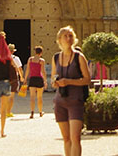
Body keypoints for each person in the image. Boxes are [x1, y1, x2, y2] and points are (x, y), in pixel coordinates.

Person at [51, 26, 91, 156]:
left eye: (70, 36)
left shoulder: (79, 57)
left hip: (75, 101)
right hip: (60, 102)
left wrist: (68, 81)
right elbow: (53, 77)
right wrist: (55, 82)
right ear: (59, 40)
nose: (68, 39)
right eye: (65, 36)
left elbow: (87, 79)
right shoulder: (56, 58)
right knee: (66, 139)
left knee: (75, 138)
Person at [0, 32, 18, 138]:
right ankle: (2, 131)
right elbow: (14, 67)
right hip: (6, 84)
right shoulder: (8, 56)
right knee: (4, 109)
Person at [26, 45, 47, 118]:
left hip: (32, 78)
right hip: (39, 78)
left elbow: (28, 69)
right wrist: (45, 81)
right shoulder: (41, 61)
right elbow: (43, 71)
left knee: (32, 97)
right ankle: (40, 112)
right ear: (41, 53)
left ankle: (32, 112)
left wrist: (25, 79)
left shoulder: (30, 59)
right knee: (39, 97)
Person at [7, 45, 23, 117]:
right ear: (13, 51)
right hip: (14, 78)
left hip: (5, 78)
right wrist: (21, 77)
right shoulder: (16, 59)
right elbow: (20, 69)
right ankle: (8, 112)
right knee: (11, 96)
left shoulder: (3, 58)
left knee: (5, 96)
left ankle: (4, 111)